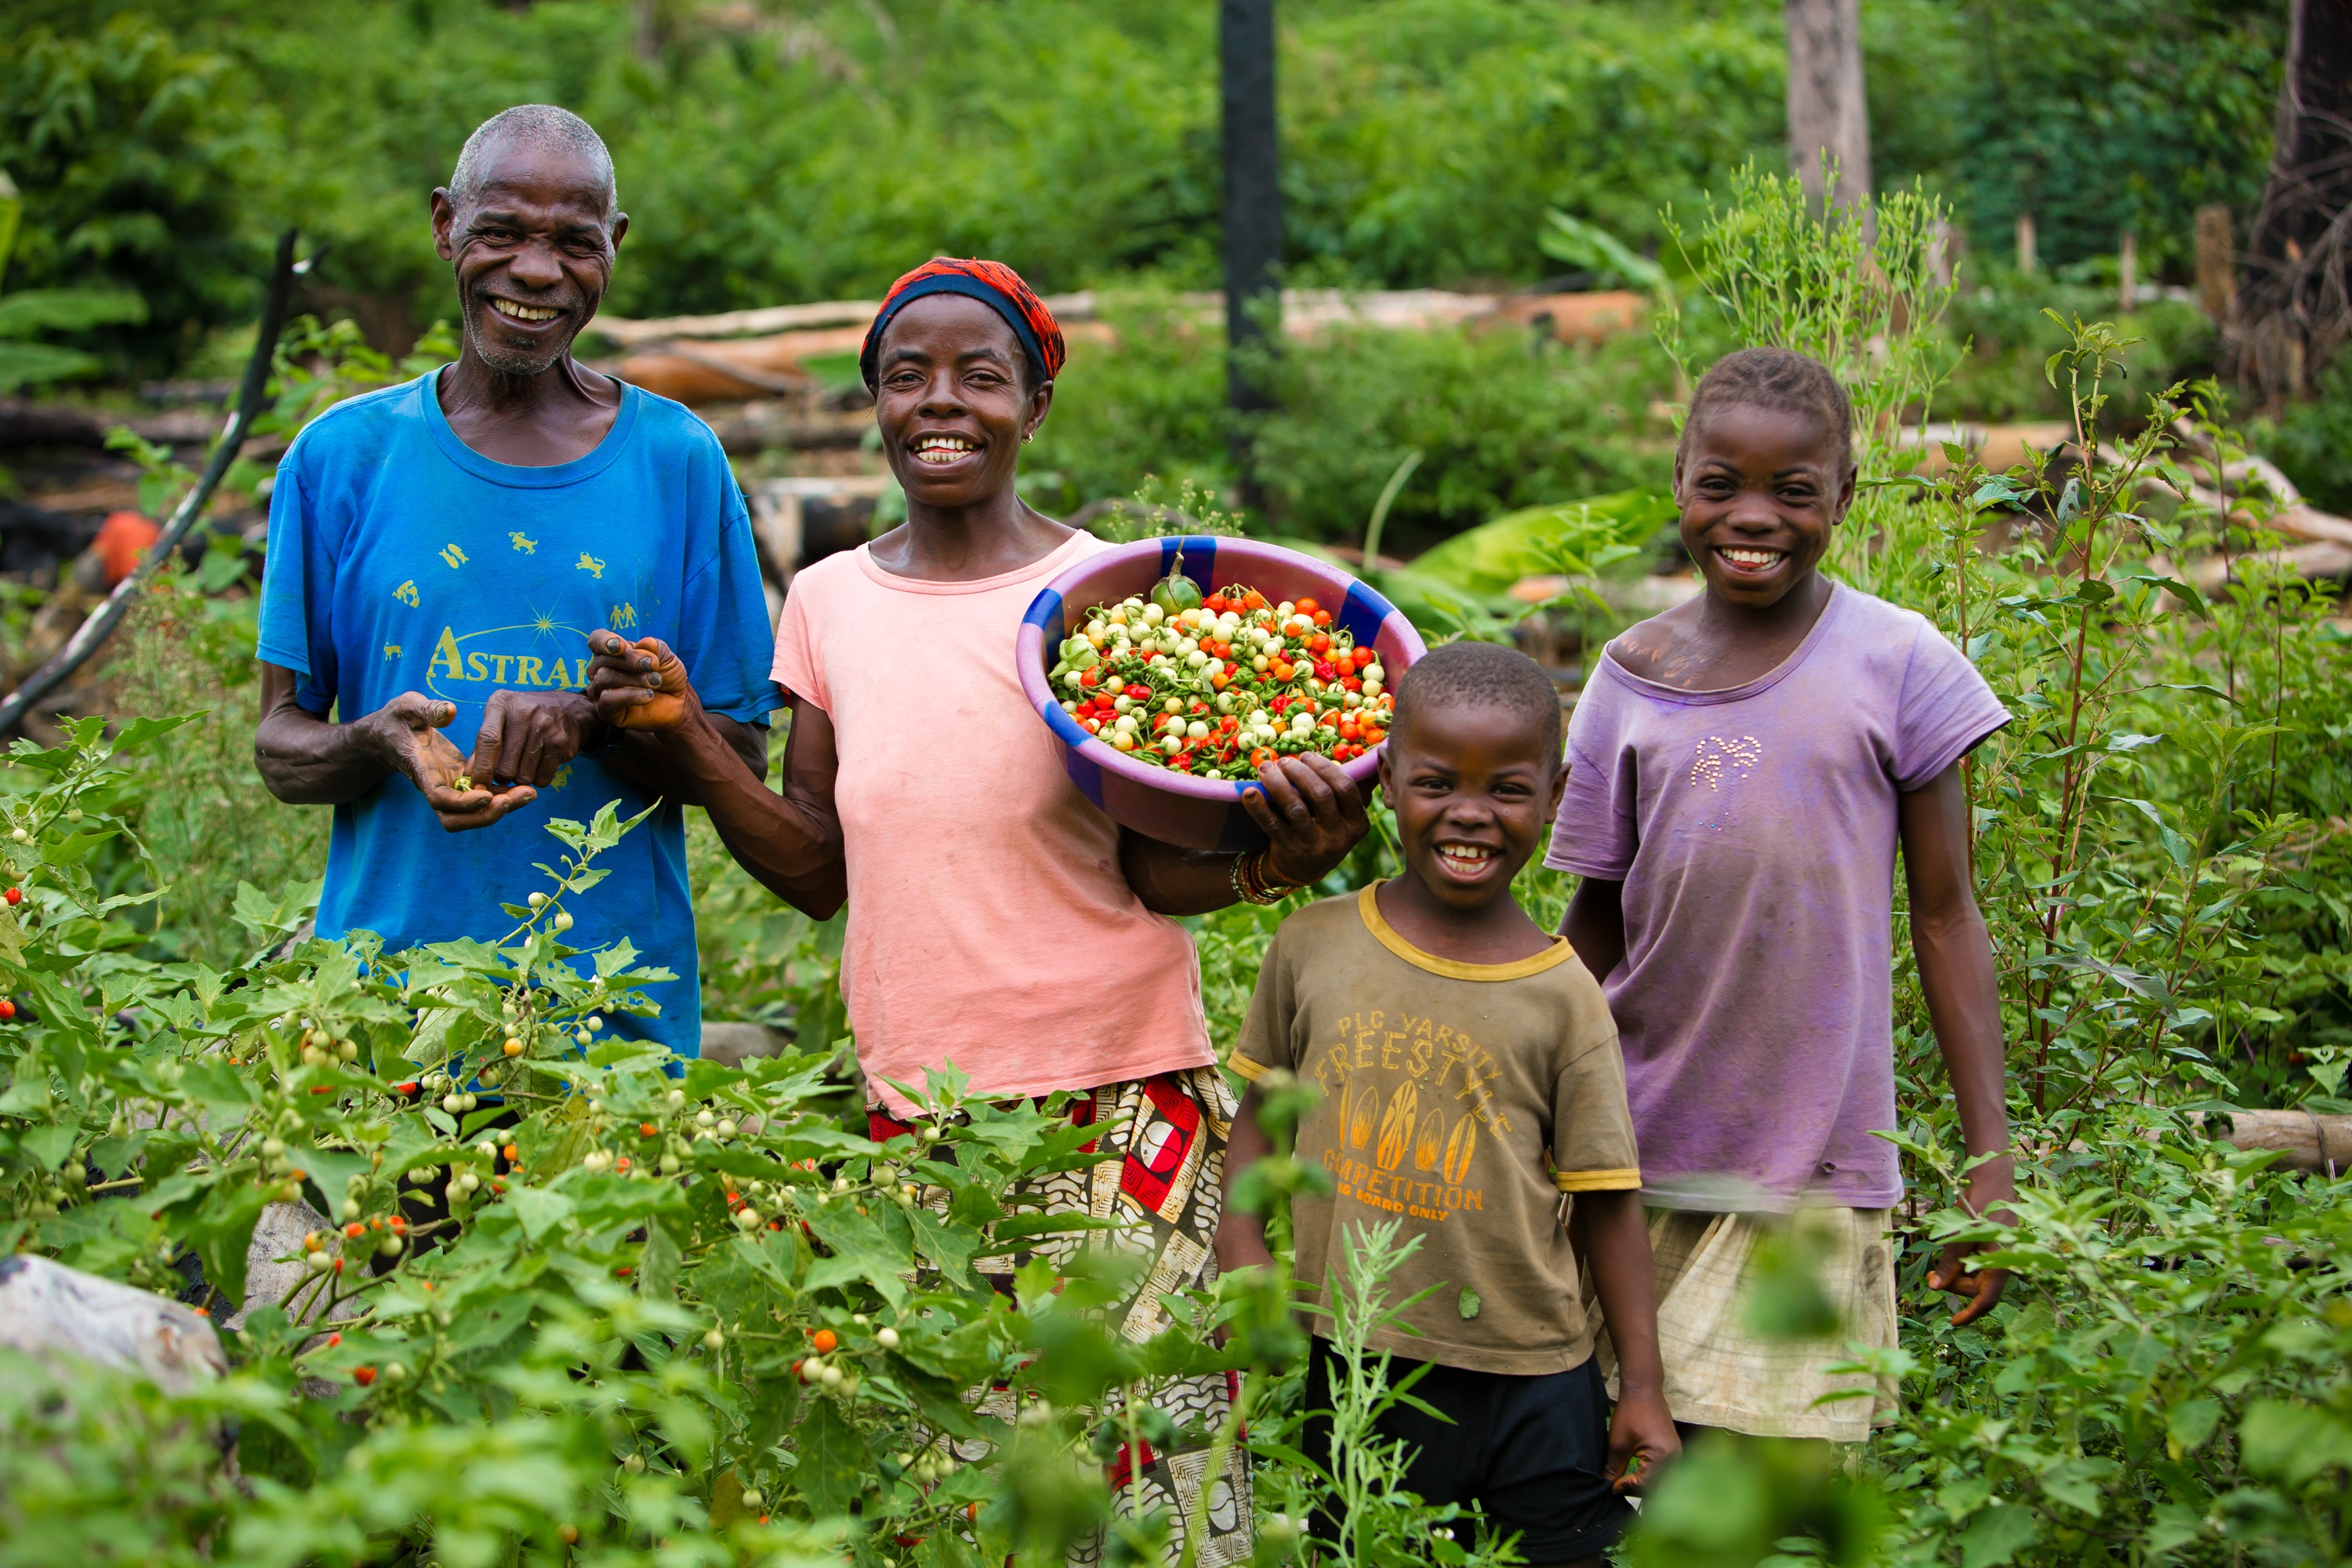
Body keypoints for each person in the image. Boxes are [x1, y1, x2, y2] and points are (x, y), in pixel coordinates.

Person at [584, 256, 1370, 1566]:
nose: (941, 401)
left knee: (1149, 1485)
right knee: (963, 1497)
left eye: (980, 377)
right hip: (924, 1118)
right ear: (875, 405)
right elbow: (818, 869)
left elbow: (1148, 867)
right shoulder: (829, 602)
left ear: (1034, 406)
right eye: (908, 377)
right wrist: (690, 743)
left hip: (1121, 1101)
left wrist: (1278, 859)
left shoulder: (1101, 591)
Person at [1548, 345, 2015, 1443]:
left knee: (1779, 1490)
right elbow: (1596, 922)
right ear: (1679, 481)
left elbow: (1946, 914)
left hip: (1815, 1165)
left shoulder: (1898, 661)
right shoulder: (1629, 674)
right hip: (1632, 1154)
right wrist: (1516, 1095)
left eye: (1793, 490)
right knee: (1624, 1474)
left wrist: (1989, 1162)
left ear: (1844, 495)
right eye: (1720, 484)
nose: (1752, 516)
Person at [253, 105, 775, 1058]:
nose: (536, 272)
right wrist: (377, 739)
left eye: (574, 243)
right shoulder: (341, 459)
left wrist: (600, 722)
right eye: (500, 232)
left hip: (612, 1033)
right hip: (380, 1026)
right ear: (445, 224)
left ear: (613, 247)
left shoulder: (677, 460)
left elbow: (739, 754)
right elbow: (281, 747)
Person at [1214, 640, 1677, 1568]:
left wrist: (1642, 1384)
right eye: (1435, 782)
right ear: (1386, 779)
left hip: (1532, 1372)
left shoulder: (1565, 996)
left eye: (1508, 789)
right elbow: (1263, 1114)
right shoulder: (1313, 944)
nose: (1469, 812)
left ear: (1554, 797)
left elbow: (1606, 1196)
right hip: (1356, 1357)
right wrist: (1243, 1248)